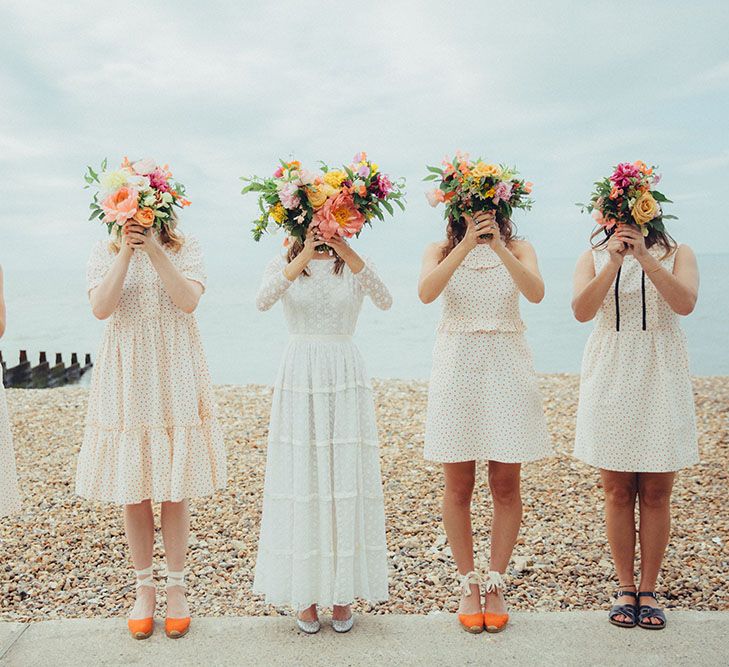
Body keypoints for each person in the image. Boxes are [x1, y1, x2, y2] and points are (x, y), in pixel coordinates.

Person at [76, 216, 226, 639]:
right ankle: (144, 589)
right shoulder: (102, 251)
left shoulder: (186, 245)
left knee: (173, 486)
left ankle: (176, 588)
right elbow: (101, 308)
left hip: (174, 365)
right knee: (134, 484)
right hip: (126, 369)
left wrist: (155, 249)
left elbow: (188, 301)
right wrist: (126, 249)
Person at [419, 210, 552, 633]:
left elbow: (535, 293)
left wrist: (496, 246)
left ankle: (496, 579)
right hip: (457, 367)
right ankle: (468, 582)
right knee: (458, 485)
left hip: (506, 367)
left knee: (505, 483)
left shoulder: (519, 248)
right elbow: (426, 293)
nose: (479, 215)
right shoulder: (439, 249)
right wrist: (464, 245)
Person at [253, 229, 391, 634]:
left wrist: (345, 250)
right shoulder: (283, 262)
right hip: (300, 372)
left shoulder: (350, 263)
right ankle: (306, 594)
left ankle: (342, 594)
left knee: (344, 476)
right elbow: (263, 301)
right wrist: (303, 256)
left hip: (344, 372)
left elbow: (384, 298)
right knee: (305, 479)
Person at [572, 221, 699, 630]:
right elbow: (581, 311)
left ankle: (649, 589)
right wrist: (613, 261)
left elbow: (685, 304)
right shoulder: (591, 257)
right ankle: (625, 586)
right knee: (617, 489)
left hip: (661, 369)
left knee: (658, 492)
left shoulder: (679, 253)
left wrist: (644, 255)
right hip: (611, 369)